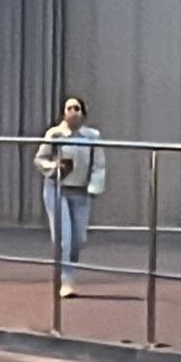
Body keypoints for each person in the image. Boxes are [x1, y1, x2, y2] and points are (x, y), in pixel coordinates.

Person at [36, 95, 106, 298]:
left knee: (79, 239)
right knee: (64, 238)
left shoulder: (93, 136)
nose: (73, 112)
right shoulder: (55, 134)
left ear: (83, 113)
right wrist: (53, 167)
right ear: (63, 112)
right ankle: (66, 279)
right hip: (57, 189)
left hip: (81, 191)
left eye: (76, 108)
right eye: (69, 108)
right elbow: (40, 159)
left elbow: (99, 164)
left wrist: (94, 186)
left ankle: (68, 263)